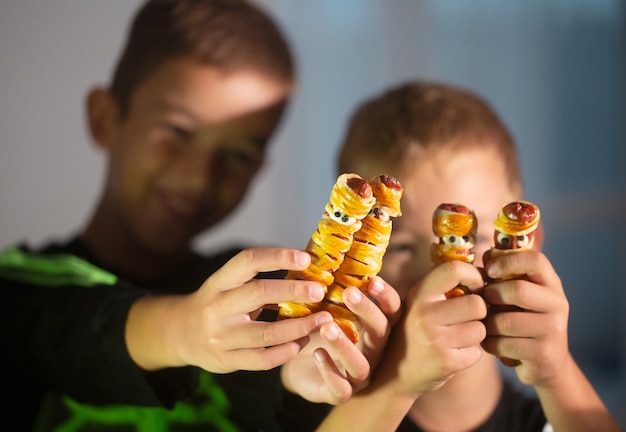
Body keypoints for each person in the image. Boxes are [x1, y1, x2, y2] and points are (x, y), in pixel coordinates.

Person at [0, 1, 398, 430]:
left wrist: (302, 383)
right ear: (104, 119)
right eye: (177, 131)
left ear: (260, 169)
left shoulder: (262, 295)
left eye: (238, 155)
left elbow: (286, 394)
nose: (198, 177)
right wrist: (185, 332)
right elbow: (71, 332)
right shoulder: (21, 288)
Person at [314, 81, 621, 431]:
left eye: (472, 239)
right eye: (399, 246)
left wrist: (556, 373)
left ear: (526, 244)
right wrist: (399, 383)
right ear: (353, 252)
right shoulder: (321, 403)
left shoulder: (555, 421)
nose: (438, 274)